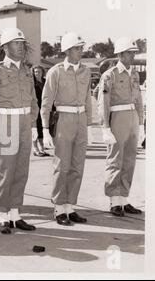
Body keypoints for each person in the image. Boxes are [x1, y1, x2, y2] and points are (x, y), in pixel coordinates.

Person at [0, 28, 38, 234]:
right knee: (5, 172)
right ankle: (3, 216)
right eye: (15, 43)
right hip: (6, 122)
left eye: (22, 43)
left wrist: (33, 124)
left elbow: (33, 100)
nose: (20, 47)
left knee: (21, 171)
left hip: (24, 123)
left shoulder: (27, 70)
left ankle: (15, 213)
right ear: (5, 47)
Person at [41, 32, 92, 226]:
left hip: (81, 119)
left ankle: (71, 207)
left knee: (77, 166)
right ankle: (59, 208)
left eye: (81, 48)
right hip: (63, 118)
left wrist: (89, 125)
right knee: (62, 166)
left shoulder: (86, 71)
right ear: (68, 50)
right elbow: (46, 101)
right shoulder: (56, 71)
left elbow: (88, 98)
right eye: (78, 48)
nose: (81, 51)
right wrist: (45, 129)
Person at [97, 37, 145, 217]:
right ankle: (114, 201)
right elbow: (104, 102)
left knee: (129, 160)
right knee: (115, 159)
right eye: (129, 53)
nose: (133, 56)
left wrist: (141, 124)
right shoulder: (110, 75)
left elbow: (139, 100)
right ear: (120, 54)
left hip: (132, 118)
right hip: (117, 117)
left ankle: (124, 198)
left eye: (134, 53)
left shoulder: (134, 74)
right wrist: (105, 127)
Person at [32, 65, 50, 157]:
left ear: (43, 72)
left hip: (44, 108)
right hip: (35, 108)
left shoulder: (45, 82)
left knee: (42, 129)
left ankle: (42, 148)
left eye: (39, 71)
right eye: (35, 72)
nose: (37, 73)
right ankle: (35, 149)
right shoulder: (31, 83)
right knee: (35, 129)